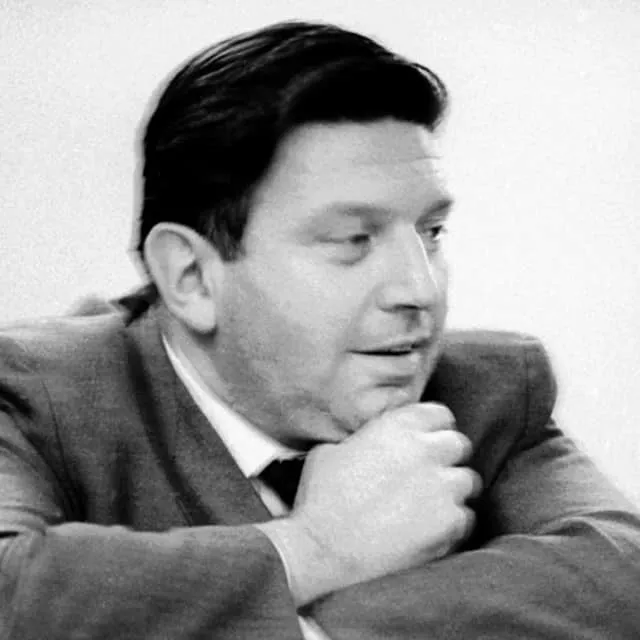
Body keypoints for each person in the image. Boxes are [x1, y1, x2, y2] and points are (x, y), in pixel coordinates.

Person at [1, 20, 639, 640]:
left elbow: (623, 576)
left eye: (431, 233)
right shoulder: (35, 393)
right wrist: (316, 547)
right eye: (353, 240)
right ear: (192, 277)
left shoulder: (486, 393)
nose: (420, 291)